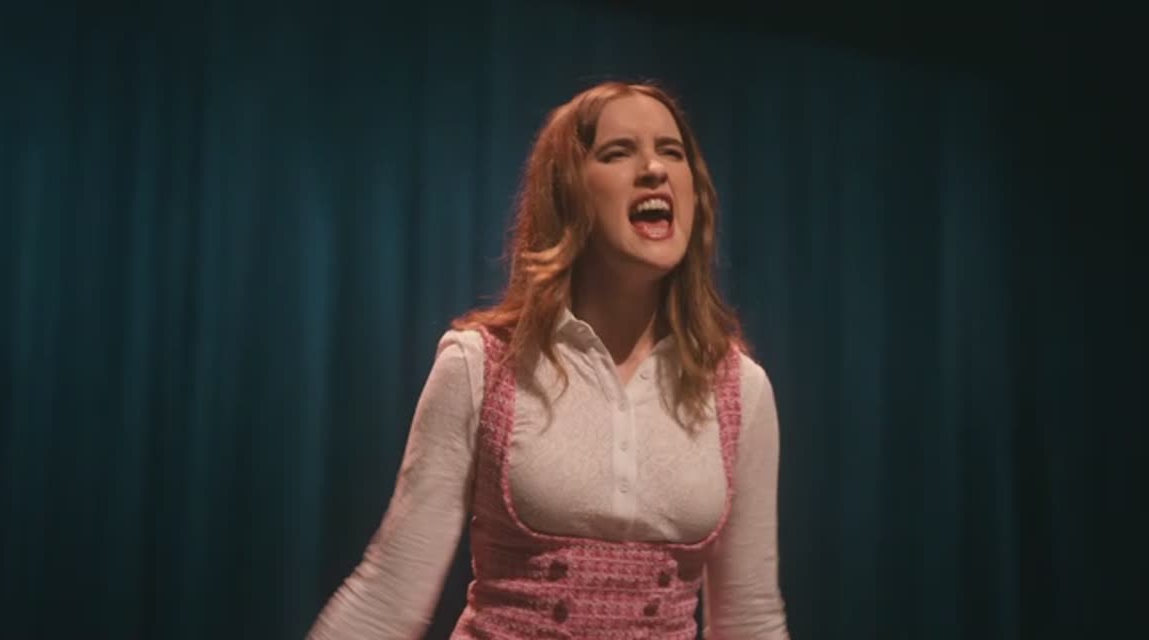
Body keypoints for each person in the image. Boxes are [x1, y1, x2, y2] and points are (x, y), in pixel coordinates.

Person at [308, 81, 789, 639]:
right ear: (568, 193)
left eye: (672, 152)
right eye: (619, 152)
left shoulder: (738, 389)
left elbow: (751, 618)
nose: (655, 169)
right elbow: (388, 596)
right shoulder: (484, 364)